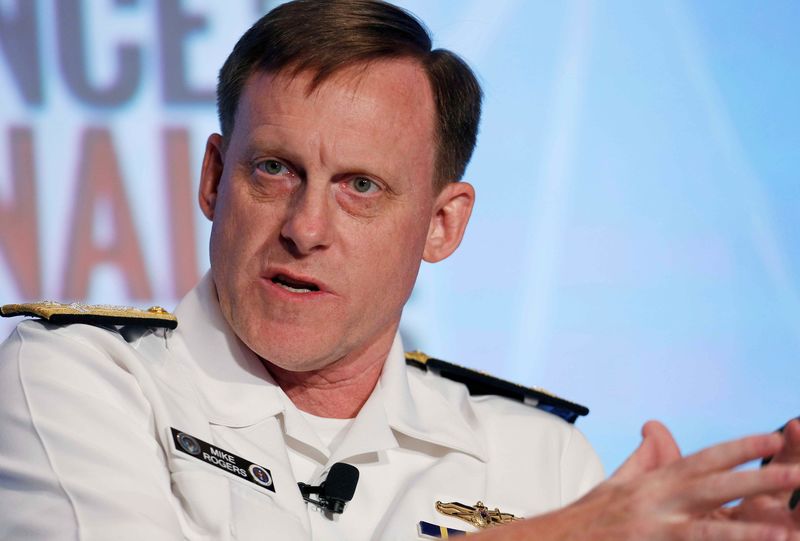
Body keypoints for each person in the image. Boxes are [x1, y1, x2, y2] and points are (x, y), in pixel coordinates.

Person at [1, 1, 798, 540]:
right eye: (274, 170)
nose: (306, 228)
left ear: (442, 224)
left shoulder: (542, 458)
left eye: (361, 187)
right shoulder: (68, 376)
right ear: (214, 179)